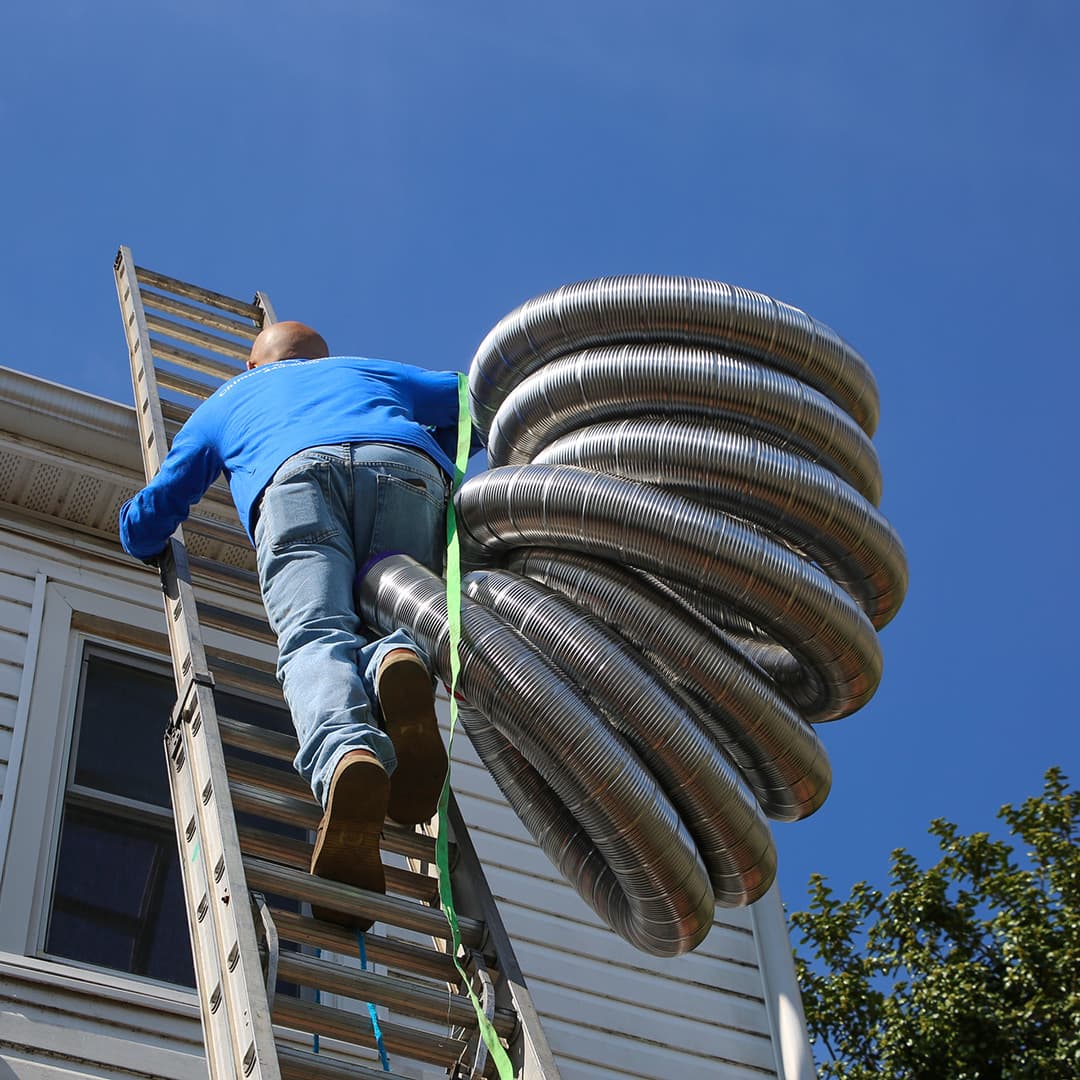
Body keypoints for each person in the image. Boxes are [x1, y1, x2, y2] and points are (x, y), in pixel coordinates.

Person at [119, 321, 467, 925]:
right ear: (320, 358)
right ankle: (394, 656)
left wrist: (134, 527)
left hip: (295, 477)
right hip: (403, 464)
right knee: (402, 604)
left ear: (256, 367)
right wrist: (422, 439)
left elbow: (159, 509)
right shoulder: (369, 370)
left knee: (316, 633)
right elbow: (477, 401)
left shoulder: (228, 400)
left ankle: (346, 757)